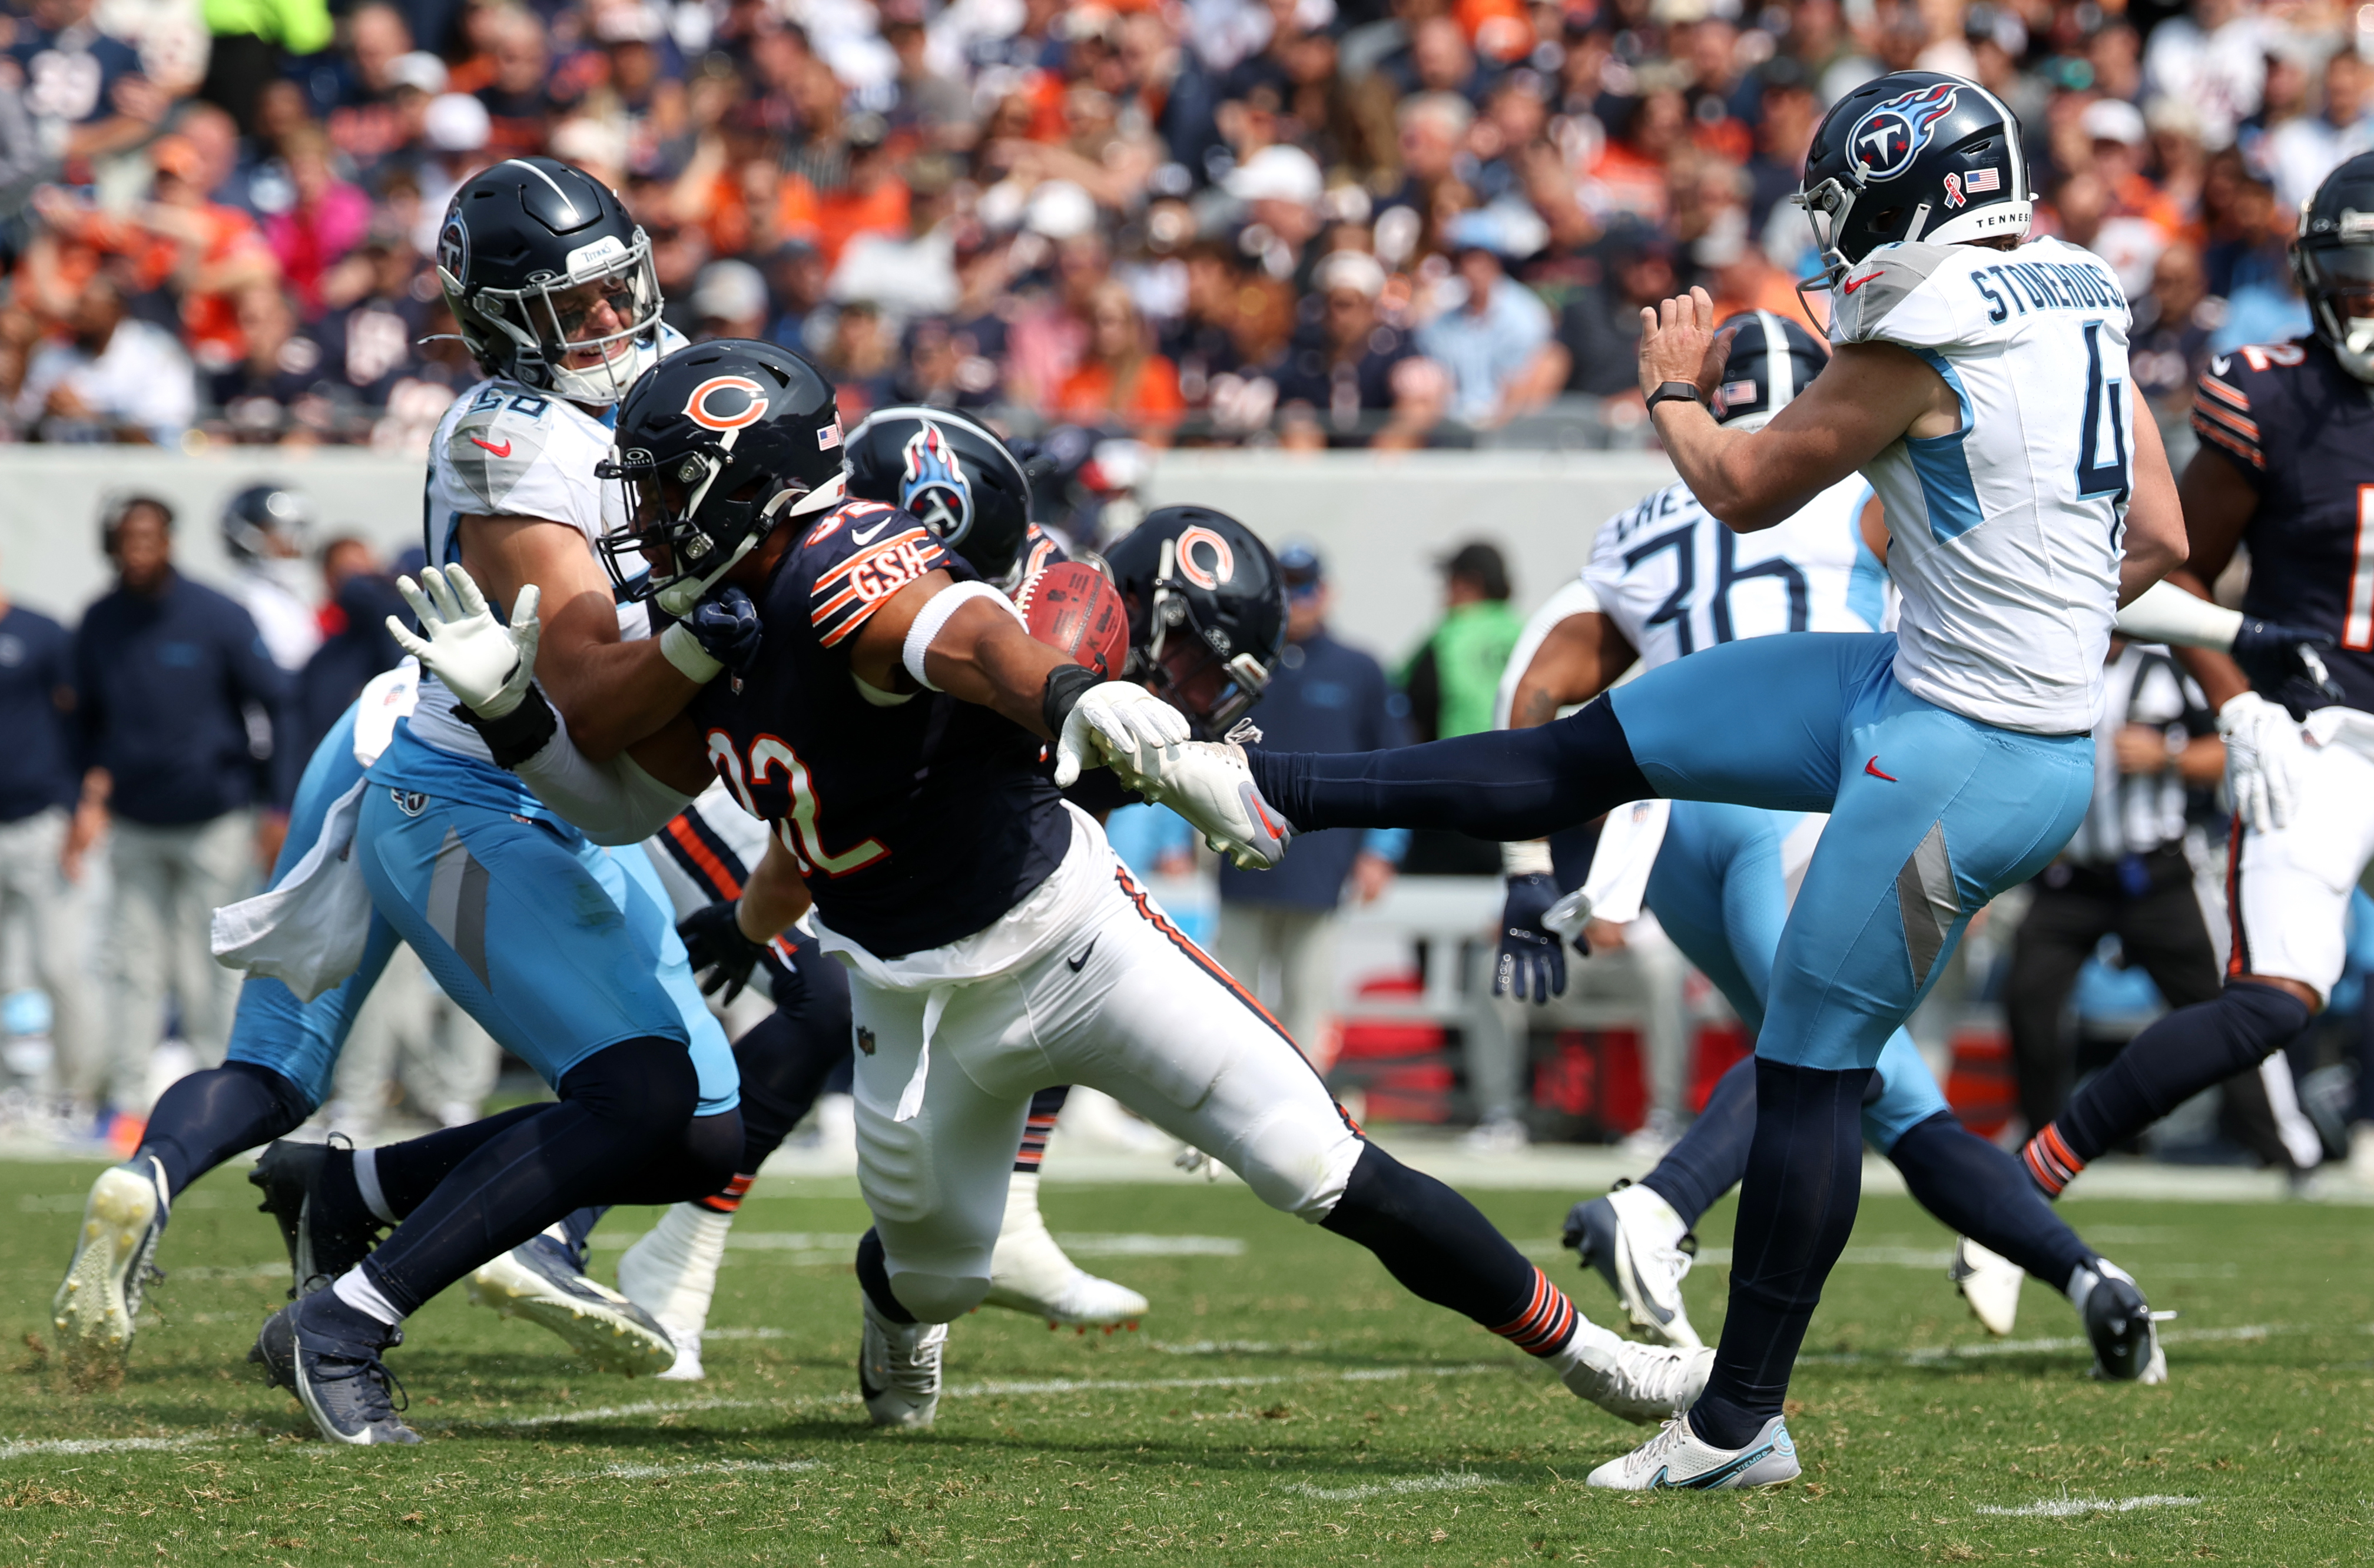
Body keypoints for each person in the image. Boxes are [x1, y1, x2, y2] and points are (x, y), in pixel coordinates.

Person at [1152, 71, 2191, 1489]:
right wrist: (2022, 582)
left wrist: (1667, 390)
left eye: (1848, 212)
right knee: (1588, 748)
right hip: (1920, 681)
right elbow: (2163, 526)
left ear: (1914, 195)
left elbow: (1744, 484)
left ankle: (1737, 1422)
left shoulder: (1923, 332)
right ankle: (1274, 788)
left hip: (1970, 747)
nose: (1837, 245)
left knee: (1813, 1070)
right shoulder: (2077, 288)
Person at [409, 336, 1712, 1437]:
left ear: (736, 485)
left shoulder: (837, 564)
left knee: (1321, 1163)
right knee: (933, 1269)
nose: (637, 512)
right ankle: (896, 1312)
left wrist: (1079, 689)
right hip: (916, 1000)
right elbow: (627, 801)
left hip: (1078, 934)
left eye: (663, 483)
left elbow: (960, 632)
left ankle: (1595, 1354)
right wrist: (521, 717)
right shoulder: (715, 627)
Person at [1495, 311, 2166, 1363]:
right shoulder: (1863, 488)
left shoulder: (1647, 521)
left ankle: (2086, 1278)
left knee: (1875, 1084)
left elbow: (1531, 683)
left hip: (1674, 827)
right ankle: (1660, 1209)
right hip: (1821, 796)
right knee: (1823, 1048)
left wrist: (1524, 866)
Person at [231, 158, 765, 1446]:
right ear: (499, 324)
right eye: (569, 309)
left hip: (582, 797)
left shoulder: (675, 373)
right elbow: (589, 692)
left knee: (699, 1136)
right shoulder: (505, 435)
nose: (609, 327)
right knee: (635, 1094)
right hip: (471, 790)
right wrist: (708, 640)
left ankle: (346, 1186)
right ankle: (344, 1320)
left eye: (617, 292)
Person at [2019, 152, 2374, 1201]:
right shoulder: (2272, 396)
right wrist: (2242, 703)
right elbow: (2167, 573)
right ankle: (2038, 1171)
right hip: (2319, 731)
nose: (2367, 300)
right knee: (2270, 1000)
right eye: (2354, 276)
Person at [73, 496, 288, 1129]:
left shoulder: (216, 614)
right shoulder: (99, 621)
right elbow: (84, 720)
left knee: (210, 965)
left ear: (170, 540)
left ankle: (219, 1099)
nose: (139, 549)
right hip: (135, 818)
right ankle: (129, 1099)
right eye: (127, 538)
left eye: (150, 537)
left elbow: (275, 702)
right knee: (133, 962)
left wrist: (275, 803)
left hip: (214, 815)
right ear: (110, 545)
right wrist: (86, 794)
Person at [2002, 639, 2226, 1142]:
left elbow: (2231, 752)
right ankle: (2039, 1140)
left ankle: (2280, 1146)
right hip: (2070, 876)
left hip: (2157, 872)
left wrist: (2168, 755)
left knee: (2223, 1009)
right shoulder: (2043, 660)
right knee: (2027, 998)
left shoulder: (2168, 667)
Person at [1212, 544, 1405, 1075]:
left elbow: (1392, 763)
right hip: (1240, 856)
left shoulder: (1358, 670)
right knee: (1229, 996)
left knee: (1309, 999)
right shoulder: (1239, 666)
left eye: (1306, 589)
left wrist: (1382, 852)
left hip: (1320, 864)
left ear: (1326, 592)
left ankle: (1305, 1117)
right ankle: (1223, 1106)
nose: (1298, 603)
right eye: (1287, 590)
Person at [0, 559, 92, 1114]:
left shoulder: (41, 631)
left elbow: (80, 718)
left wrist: (81, 803)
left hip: (40, 818)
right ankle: (17, 1084)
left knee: (58, 962)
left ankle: (73, 1085)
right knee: (8, 971)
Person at [219, 483, 324, 674]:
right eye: (280, 530)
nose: (294, 542)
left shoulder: (292, 594)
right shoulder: (247, 600)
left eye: (298, 530)